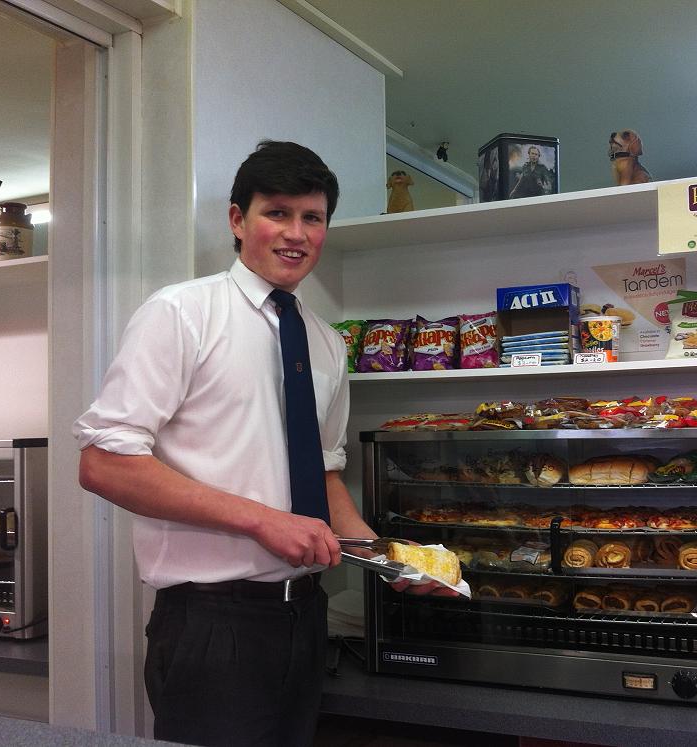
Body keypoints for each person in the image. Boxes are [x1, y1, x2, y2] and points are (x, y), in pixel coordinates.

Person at [74, 141, 442, 747]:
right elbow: (104, 463)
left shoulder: (326, 343)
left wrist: (387, 559)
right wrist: (264, 522)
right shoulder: (182, 313)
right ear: (237, 220)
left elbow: (323, 476)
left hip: (304, 616)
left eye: (313, 218)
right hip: (211, 622)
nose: (296, 233)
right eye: (277, 212)